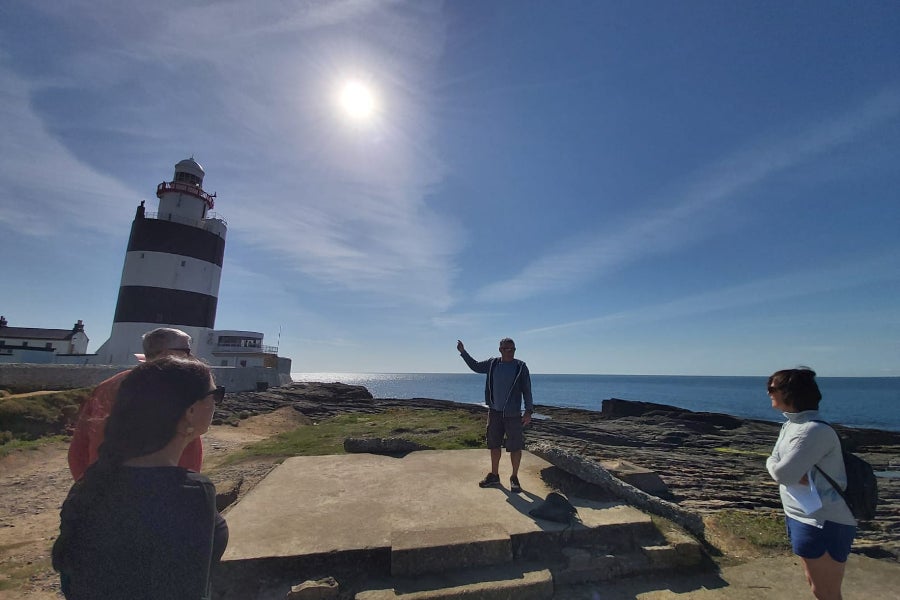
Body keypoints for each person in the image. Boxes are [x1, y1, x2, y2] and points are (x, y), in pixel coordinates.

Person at [53, 356, 229, 599]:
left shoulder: (91, 483)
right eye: (215, 394)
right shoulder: (189, 492)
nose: (217, 402)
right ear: (190, 410)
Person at [765, 367, 856, 600]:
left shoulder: (813, 431)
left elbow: (783, 474)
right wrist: (776, 465)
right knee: (814, 584)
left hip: (825, 520)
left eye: (772, 388)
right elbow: (776, 463)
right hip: (800, 514)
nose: (768, 393)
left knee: (826, 591)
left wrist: (777, 467)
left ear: (791, 392)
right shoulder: (790, 425)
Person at [68, 327, 203, 480]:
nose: (191, 357)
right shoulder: (178, 391)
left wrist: (85, 486)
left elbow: (79, 446)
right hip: (160, 491)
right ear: (167, 354)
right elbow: (189, 449)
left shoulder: (106, 386)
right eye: (186, 351)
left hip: (103, 487)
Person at [457, 338, 533, 493]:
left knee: (515, 447)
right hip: (495, 412)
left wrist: (529, 411)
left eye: (512, 349)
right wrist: (463, 352)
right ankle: (494, 475)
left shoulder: (520, 367)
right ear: (500, 349)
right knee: (494, 445)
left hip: (513, 414)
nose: (510, 352)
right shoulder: (492, 364)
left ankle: (514, 478)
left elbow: (527, 390)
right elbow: (476, 366)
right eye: (507, 349)